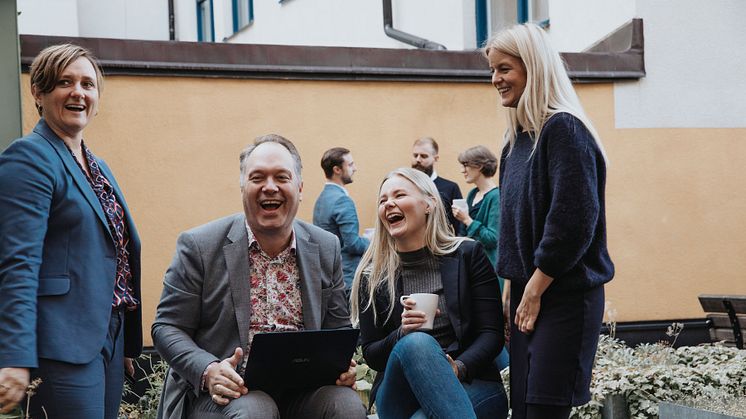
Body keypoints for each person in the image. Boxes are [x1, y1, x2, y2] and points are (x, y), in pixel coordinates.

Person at [151, 134, 367, 419]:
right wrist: (208, 370)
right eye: (257, 178)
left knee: (346, 405)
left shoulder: (326, 247)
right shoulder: (199, 246)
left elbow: (338, 329)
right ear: (243, 188)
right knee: (256, 411)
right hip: (225, 394)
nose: (270, 187)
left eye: (281, 177)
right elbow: (167, 327)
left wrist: (342, 365)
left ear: (299, 188)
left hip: (303, 392)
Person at [0, 44, 142, 418]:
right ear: (38, 92)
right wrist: (13, 356)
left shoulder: (98, 166)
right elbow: (18, 264)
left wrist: (126, 342)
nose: (79, 92)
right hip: (61, 342)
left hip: (106, 338)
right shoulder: (28, 158)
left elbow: (119, 251)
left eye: (88, 84)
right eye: (65, 82)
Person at [486, 24, 615, 419]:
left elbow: (573, 222)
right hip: (530, 290)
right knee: (523, 409)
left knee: (544, 409)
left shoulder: (563, 129)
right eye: (492, 70)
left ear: (534, 68)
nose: (495, 80)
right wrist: (514, 286)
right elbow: (514, 225)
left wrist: (534, 289)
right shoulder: (515, 143)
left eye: (504, 68)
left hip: (565, 295)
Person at [351, 167, 508, 419]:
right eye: (383, 200)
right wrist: (402, 333)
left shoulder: (468, 255)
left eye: (400, 195)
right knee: (416, 342)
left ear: (429, 203)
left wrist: (458, 368)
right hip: (399, 392)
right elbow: (371, 354)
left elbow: (491, 334)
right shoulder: (372, 276)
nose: (389, 204)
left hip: (472, 383)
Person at [452, 145, 509, 370]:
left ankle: (505, 371)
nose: (463, 170)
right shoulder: (473, 194)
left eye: (466, 165)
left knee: (490, 324)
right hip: (468, 268)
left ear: (481, 166)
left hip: (489, 271)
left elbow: (493, 238)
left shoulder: (496, 197)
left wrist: (467, 220)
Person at [313, 147, 370, 291]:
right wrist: (373, 241)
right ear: (337, 170)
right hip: (346, 277)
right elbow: (352, 244)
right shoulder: (342, 201)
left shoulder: (321, 199)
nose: (354, 168)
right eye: (350, 165)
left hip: (327, 275)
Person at [411, 137, 464, 235]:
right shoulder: (405, 186)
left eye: (424, 156)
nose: (418, 159)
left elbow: (459, 226)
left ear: (435, 159)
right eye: (415, 155)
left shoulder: (451, 187)